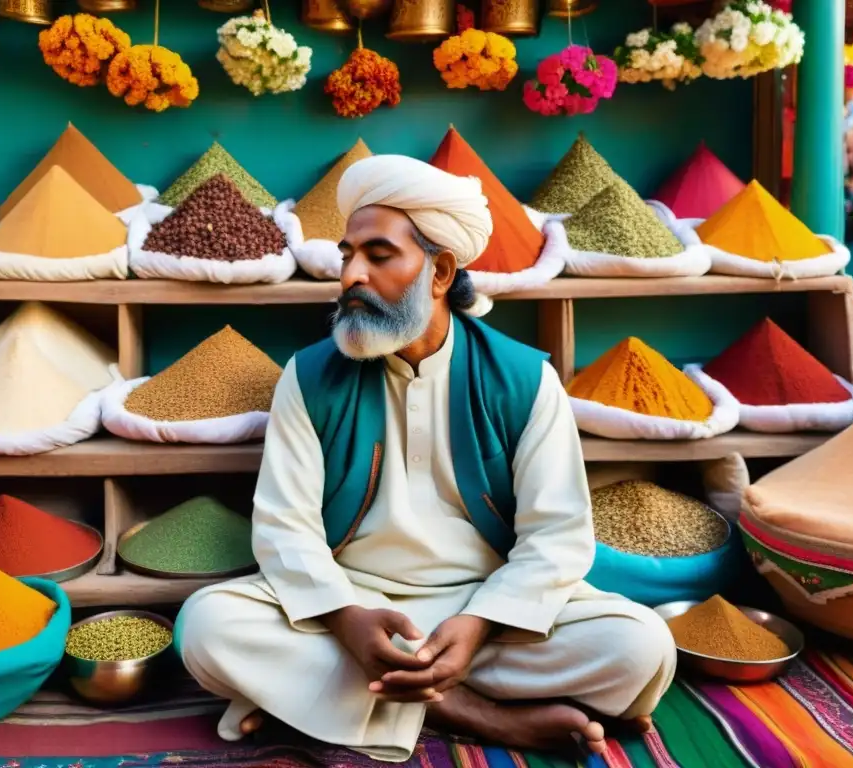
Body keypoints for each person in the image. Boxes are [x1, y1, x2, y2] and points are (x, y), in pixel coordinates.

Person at [176, 155, 677, 763]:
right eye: (346, 256)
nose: (351, 276)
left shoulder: (524, 380)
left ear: (439, 271)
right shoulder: (308, 378)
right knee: (207, 627)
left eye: (378, 256)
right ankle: (476, 714)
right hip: (355, 603)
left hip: (486, 612)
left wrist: (480, 624)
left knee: (642, 646)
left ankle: (327, 700)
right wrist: (345, 619)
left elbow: (558, 537)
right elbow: (286, 529)